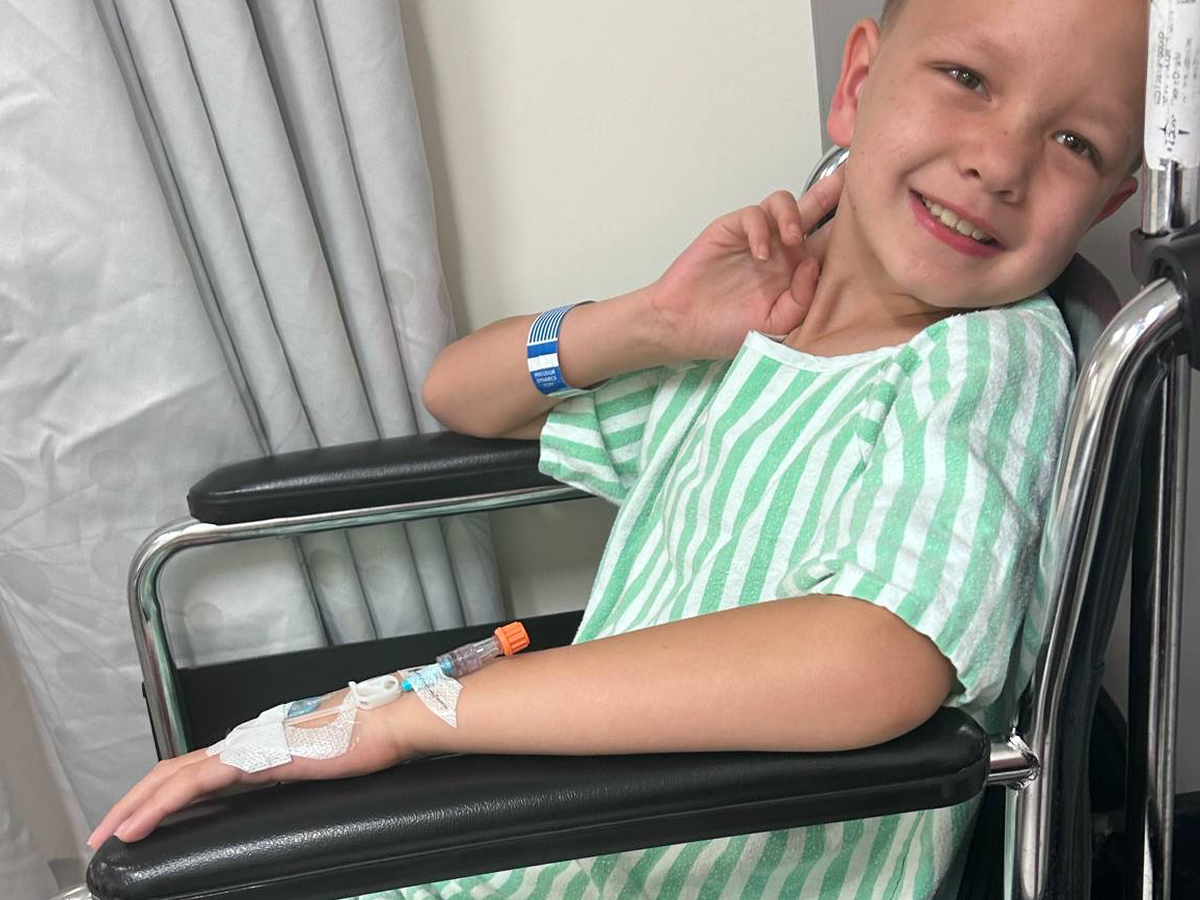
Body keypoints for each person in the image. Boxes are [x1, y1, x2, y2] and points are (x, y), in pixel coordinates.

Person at [87, 0, 1148, 895]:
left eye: (1075, 143)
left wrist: (413, 718)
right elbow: (462, 391)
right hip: (569, 838)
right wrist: (650, 322)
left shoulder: (985, 357)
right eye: (967, 78)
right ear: (859, 84)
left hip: (678, 857)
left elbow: (877, 656)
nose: (999, 162)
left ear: (1106, 203)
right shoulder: (767, 334)